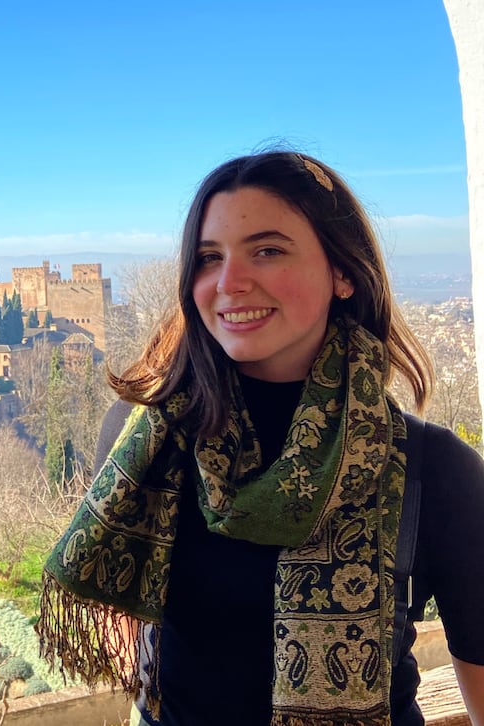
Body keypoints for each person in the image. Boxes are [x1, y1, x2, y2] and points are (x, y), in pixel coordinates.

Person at [36, 151, 484, 725]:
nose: (229, 281)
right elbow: (147, 671)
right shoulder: (145, 445)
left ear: (343, 273)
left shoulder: (432, 467)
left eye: (268, 251)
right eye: (208, 257)